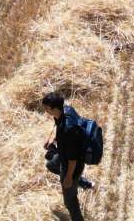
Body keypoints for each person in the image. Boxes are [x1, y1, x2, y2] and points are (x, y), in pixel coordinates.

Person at [42, 92, 93, 221]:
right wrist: (53, 140)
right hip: (65, 153)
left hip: (72, 163)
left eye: (47, 108)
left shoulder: (68, 131)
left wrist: (69, 177)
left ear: (54, 108)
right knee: (51, 164)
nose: (45, 110)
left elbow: (73, 160)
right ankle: (84, 183)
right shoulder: (66, 110)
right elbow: (57, 125)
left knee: (70, 201)